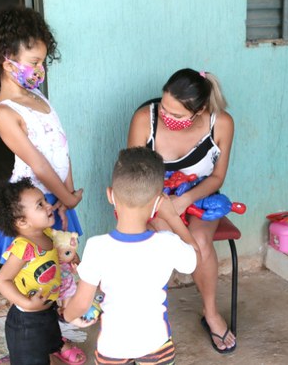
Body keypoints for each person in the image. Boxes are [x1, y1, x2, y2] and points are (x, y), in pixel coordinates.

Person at [126, 68, 237, 353]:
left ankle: (211, 313)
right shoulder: (145, 119)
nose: (166, 116)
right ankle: (147, 321)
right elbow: (133, 174)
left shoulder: (221, 123)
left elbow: (217, 178)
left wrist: (185, 200)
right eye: (164, 108)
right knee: (164, 239)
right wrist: (164, 205)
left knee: (200, 241)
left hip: (199, 197)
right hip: (152, 196)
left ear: (199, 110)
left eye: (176, 114)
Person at [63, 147, 197, 364]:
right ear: (158, 203)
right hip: (156, 343)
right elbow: (194, 258)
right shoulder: (167, 242)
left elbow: (81, 303)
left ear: (110, 195)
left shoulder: (97, 247)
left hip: (112, 346)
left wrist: (66, 315)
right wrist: (172, 217)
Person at [0, 6, 84, 263]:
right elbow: (38, 164)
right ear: (7, 61)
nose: (40, 68)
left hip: (57, 196)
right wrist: (68, 197)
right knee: (37, 269)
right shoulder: (4, 112)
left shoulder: (37, 95)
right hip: (33, 205)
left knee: (66, 266)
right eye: (34, 62)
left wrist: (67, 194)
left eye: (42, 62)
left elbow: (60, 146)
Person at [0, 178, 88, 365]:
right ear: (23, 222)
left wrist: (71, 257)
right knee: (31, 357)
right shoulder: (23, 248)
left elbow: (56, 256)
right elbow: (2, 281)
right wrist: (27, 304)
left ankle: (54, 347)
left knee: (50, 336)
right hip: (26, 320)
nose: (49, 206)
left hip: (48, 307)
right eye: (40, 204)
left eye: (45, 200)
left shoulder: (47, 234)